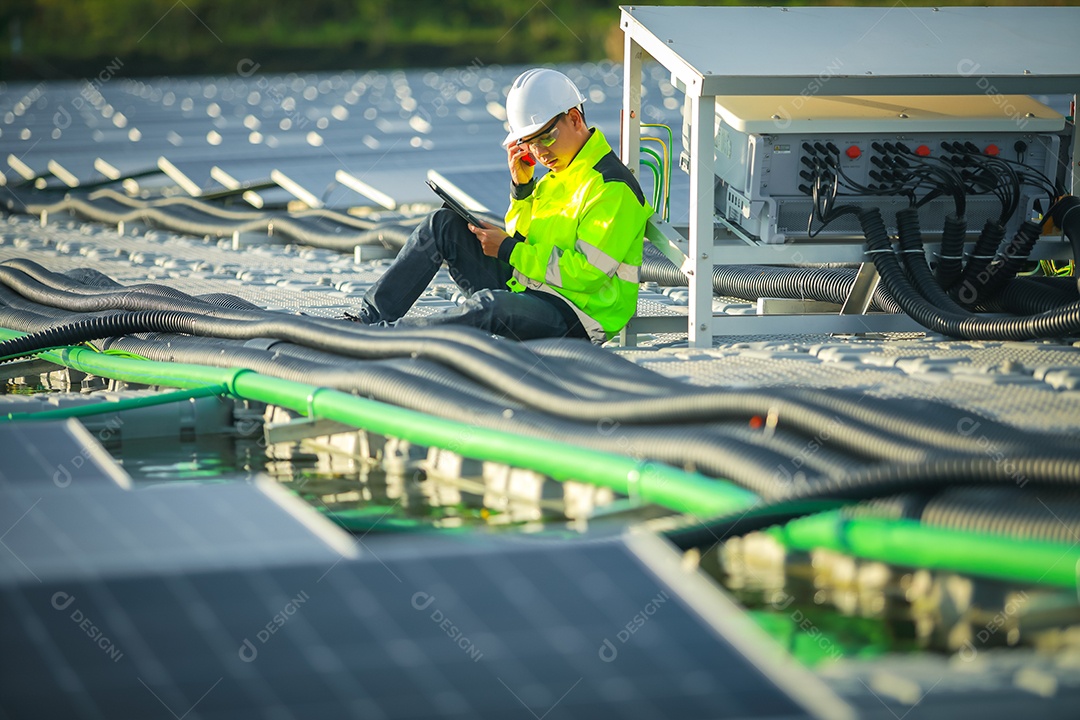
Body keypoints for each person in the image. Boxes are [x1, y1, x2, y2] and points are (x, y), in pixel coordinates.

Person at [343, 67, 652, 343]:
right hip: (530, 289)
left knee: (492, 306)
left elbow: (586, 274)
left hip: (574, 315)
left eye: (546, 137)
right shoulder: (559, 173)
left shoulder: (612, 188)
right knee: (443, 225)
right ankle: (367, 320)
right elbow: (522, 239)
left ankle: (386, 339)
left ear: (574, 118)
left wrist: (508, 250)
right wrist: (522, 189)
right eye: (530, 142)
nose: (540, 152)